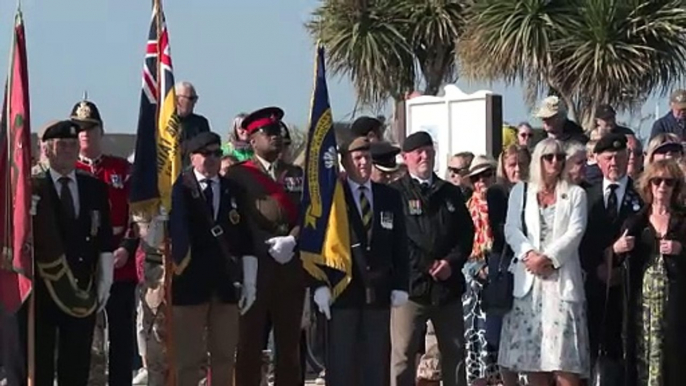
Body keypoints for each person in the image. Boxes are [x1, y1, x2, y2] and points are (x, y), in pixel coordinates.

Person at [311, 134, 409, 386]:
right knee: (342, 365)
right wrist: (318, 283)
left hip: (378, 291)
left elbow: (399, 243)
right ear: (345, 162)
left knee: (376, 365)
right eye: (357, 158)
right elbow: (321, 243)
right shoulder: (333, 197)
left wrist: (401, 284)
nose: (363, 163)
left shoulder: (389, 196)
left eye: (367, 157)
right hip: (343, 290)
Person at [169, 131, 258, 386]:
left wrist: (250, 282)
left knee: (224, 357)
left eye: (216, 154)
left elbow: (246, 239)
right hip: (189, 285)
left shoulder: (234, 190)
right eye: (205, 154)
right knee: (188, 360)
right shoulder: (179, 189)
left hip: (225, 286)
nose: (211, 159)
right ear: (192, 157)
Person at [499, 138, 590, 386]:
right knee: (533, 362)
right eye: (549, 157)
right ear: (538, 160)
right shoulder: (521, 191)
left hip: (561, 284)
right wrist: (529, 254)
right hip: (528, 286)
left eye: (560, 157)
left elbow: (576, 231)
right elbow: (511, 229)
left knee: (564, 364)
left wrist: (547, 258)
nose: (555, 162)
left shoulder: (575, 194)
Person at [31, 120, 113, 386]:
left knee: (76, 365)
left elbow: (103, 237)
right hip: (42, 288)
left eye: (72, 144)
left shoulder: (93, 186)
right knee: (40, 363)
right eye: (61, 145)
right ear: (47, 148)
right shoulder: (33, 186)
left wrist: (105, 280)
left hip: (80, 287)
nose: (68, 150)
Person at [227, 107, 305, 386]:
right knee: (248, 345)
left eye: (278, 131)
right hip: (255, 270)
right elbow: (236, 219)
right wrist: (262, 243)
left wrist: (293, 239)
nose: (276, 136)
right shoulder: (238, 176)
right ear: (252, 140)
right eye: (268, 132)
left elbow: (309, 214)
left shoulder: (297, 174)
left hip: (290, 270)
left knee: (289, 347)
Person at [389, 131, 474, 386]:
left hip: (446, 289)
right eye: (418, 152)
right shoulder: (396, 193)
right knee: (403, 355)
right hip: (412, 287)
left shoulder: (450, 192)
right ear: (406, 158)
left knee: (455, 352)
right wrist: (427, 264)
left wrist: (451, 262)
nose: (424, 155)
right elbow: (397, 237)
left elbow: (466, 234)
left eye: (428, 150)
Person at [69, 98, 139, 386]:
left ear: (101, 131)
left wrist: (126, 247)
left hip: (120, 267)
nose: (85, 133)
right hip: (83, 269)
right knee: (87, 341)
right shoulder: (69, 170)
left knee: (121, 339)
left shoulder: (120, 169)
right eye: (79, 128)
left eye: (90, 127)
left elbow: (138, 215)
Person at [616, 159, 686, 386]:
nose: (662, 187)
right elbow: (615, 256)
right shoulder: (636, 221)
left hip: (674, 301)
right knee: (643, 355)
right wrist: (617, 249)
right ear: (649, 186)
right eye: (657, 181)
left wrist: (681, 250)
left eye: (669, 182)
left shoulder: (682, 221)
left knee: (672, 358)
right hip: (642, 303)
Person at [580, 133, 642, 369]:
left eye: (619, 156)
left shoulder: (641, 196)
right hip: (594, 288)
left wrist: (621, 265)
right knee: (594, 355)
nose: (614, 162)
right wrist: (599, 265)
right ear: (598, 160)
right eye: (608, 158)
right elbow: (581, 241)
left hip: (628, 288)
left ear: (628, 157)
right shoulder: (586, 197)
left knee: (625, 357)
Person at [462, 155, 508, 386]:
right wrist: (476, 268)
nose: (482, 182)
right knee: (477, 342)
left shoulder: (504, 201)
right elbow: (462, 247)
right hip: (475, 284)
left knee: (500, 342)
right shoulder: (467, 208)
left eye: (487, 175)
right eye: (476, 178)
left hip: (501, 277)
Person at [176, 81, 211, 165]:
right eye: (190, 98)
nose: (194, 103)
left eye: (195, 99)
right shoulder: (162, 122)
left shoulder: (201, 123)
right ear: (177, 99)